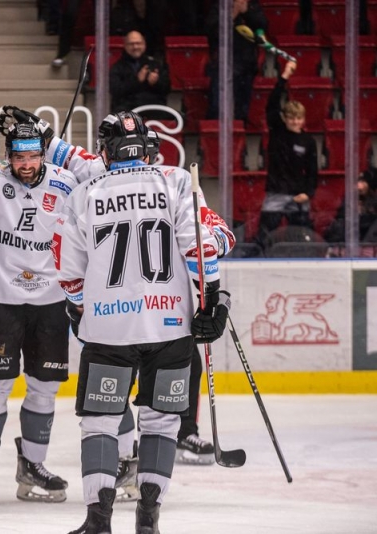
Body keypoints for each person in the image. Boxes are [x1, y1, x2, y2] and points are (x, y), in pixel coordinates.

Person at [54, 111, 231, 533]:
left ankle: (98, 521)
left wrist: (78, 309)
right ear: (148, 149)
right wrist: (211, 301)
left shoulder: (82, 194)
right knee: (163, 421)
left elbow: (68, 271)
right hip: (170, 327)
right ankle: (148, 521)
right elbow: (201, 248)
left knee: (99, 422)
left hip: (108, 329)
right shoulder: (176, 181)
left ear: (105, 152)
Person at [0, 117, 78, 506]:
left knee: (44, 387)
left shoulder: (67, 182)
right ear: (7, 156)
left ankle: (33, 465)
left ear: (43, 154)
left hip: (51, 303)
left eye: (33, 156)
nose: (27, 164)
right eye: (19, 157)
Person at [255, 60, 317, 252]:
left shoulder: (308, 141)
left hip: (298, 195)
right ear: (285, 118)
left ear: (303, 119)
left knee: (302, 236)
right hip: (276, 193)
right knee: (264, 235)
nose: (295, 122)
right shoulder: (278, 131)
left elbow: (312, 171)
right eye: (291, 118)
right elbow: (272, 104)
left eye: (298, 118)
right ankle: (258, 260)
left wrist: (308, 193)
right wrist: (284, 76)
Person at [205, 0, 268, 123]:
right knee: (217, 106)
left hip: (247, 64)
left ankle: (240, 129)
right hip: (223, 64)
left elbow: (262, 26)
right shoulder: (220, 6)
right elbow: (212, 31)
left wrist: (247, 12)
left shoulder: (253, 6)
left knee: (242, 107)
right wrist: (233, 14)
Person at [109, 31, 171, 120]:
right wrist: (137, 80)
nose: (135, 47)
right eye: (131, 44)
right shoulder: (117, 67)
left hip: (153, 108)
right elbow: (115, 91)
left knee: (180, 117)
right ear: (125, 46)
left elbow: (167, 89)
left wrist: (156, 83)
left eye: (138, 43)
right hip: (127, 109)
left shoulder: (154, 64)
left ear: (144, 45)